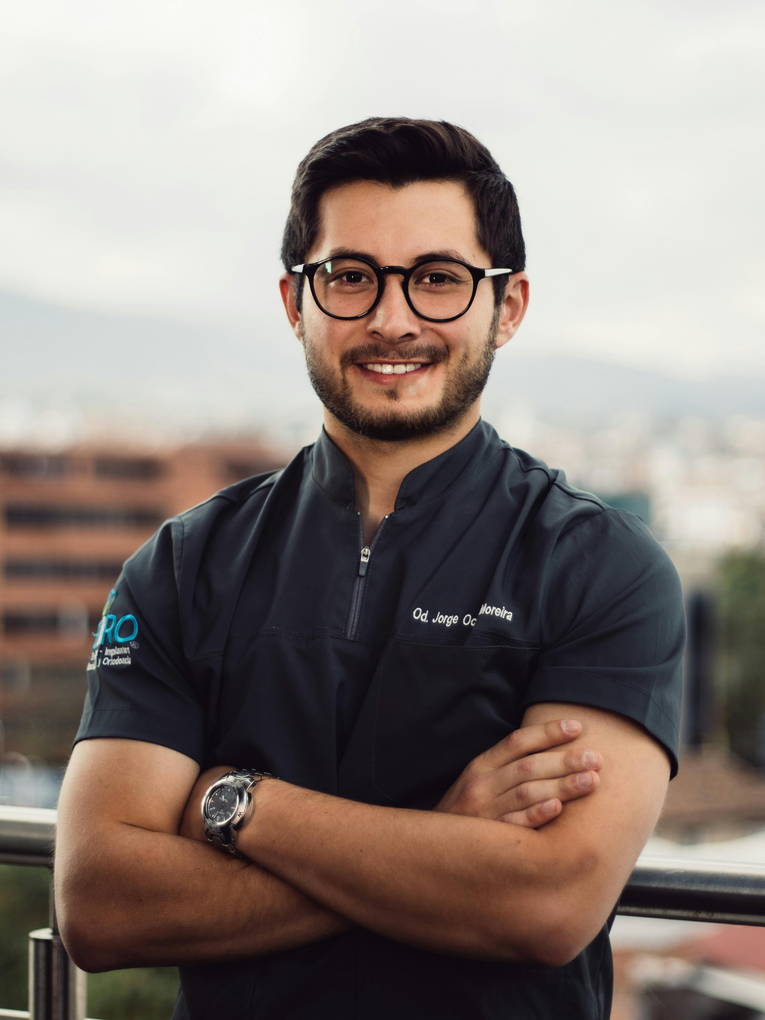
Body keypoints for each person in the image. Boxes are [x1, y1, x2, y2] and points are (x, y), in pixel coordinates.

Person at [55, 118, 685, 1020]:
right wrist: (439, 846)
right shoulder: (183, 567)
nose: (393, 319)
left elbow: (543, 905)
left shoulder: (599, 568)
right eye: (349, 277)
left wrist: (239, 807)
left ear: (505, 307)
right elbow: (103, 905)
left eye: (438, 279)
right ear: (294, 303)